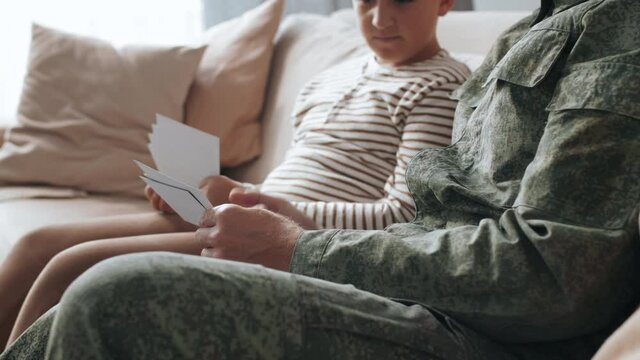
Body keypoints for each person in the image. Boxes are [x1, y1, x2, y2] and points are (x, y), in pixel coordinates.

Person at [2, 0, 639, 358]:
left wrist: (298, 243)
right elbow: (439, 215)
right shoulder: (529, 30)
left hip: (465, 323)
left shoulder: (618, 29)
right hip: (409, 278)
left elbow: (553, 271)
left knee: (110, 287)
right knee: (56, 257)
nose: (381, 14)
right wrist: (211, 194)